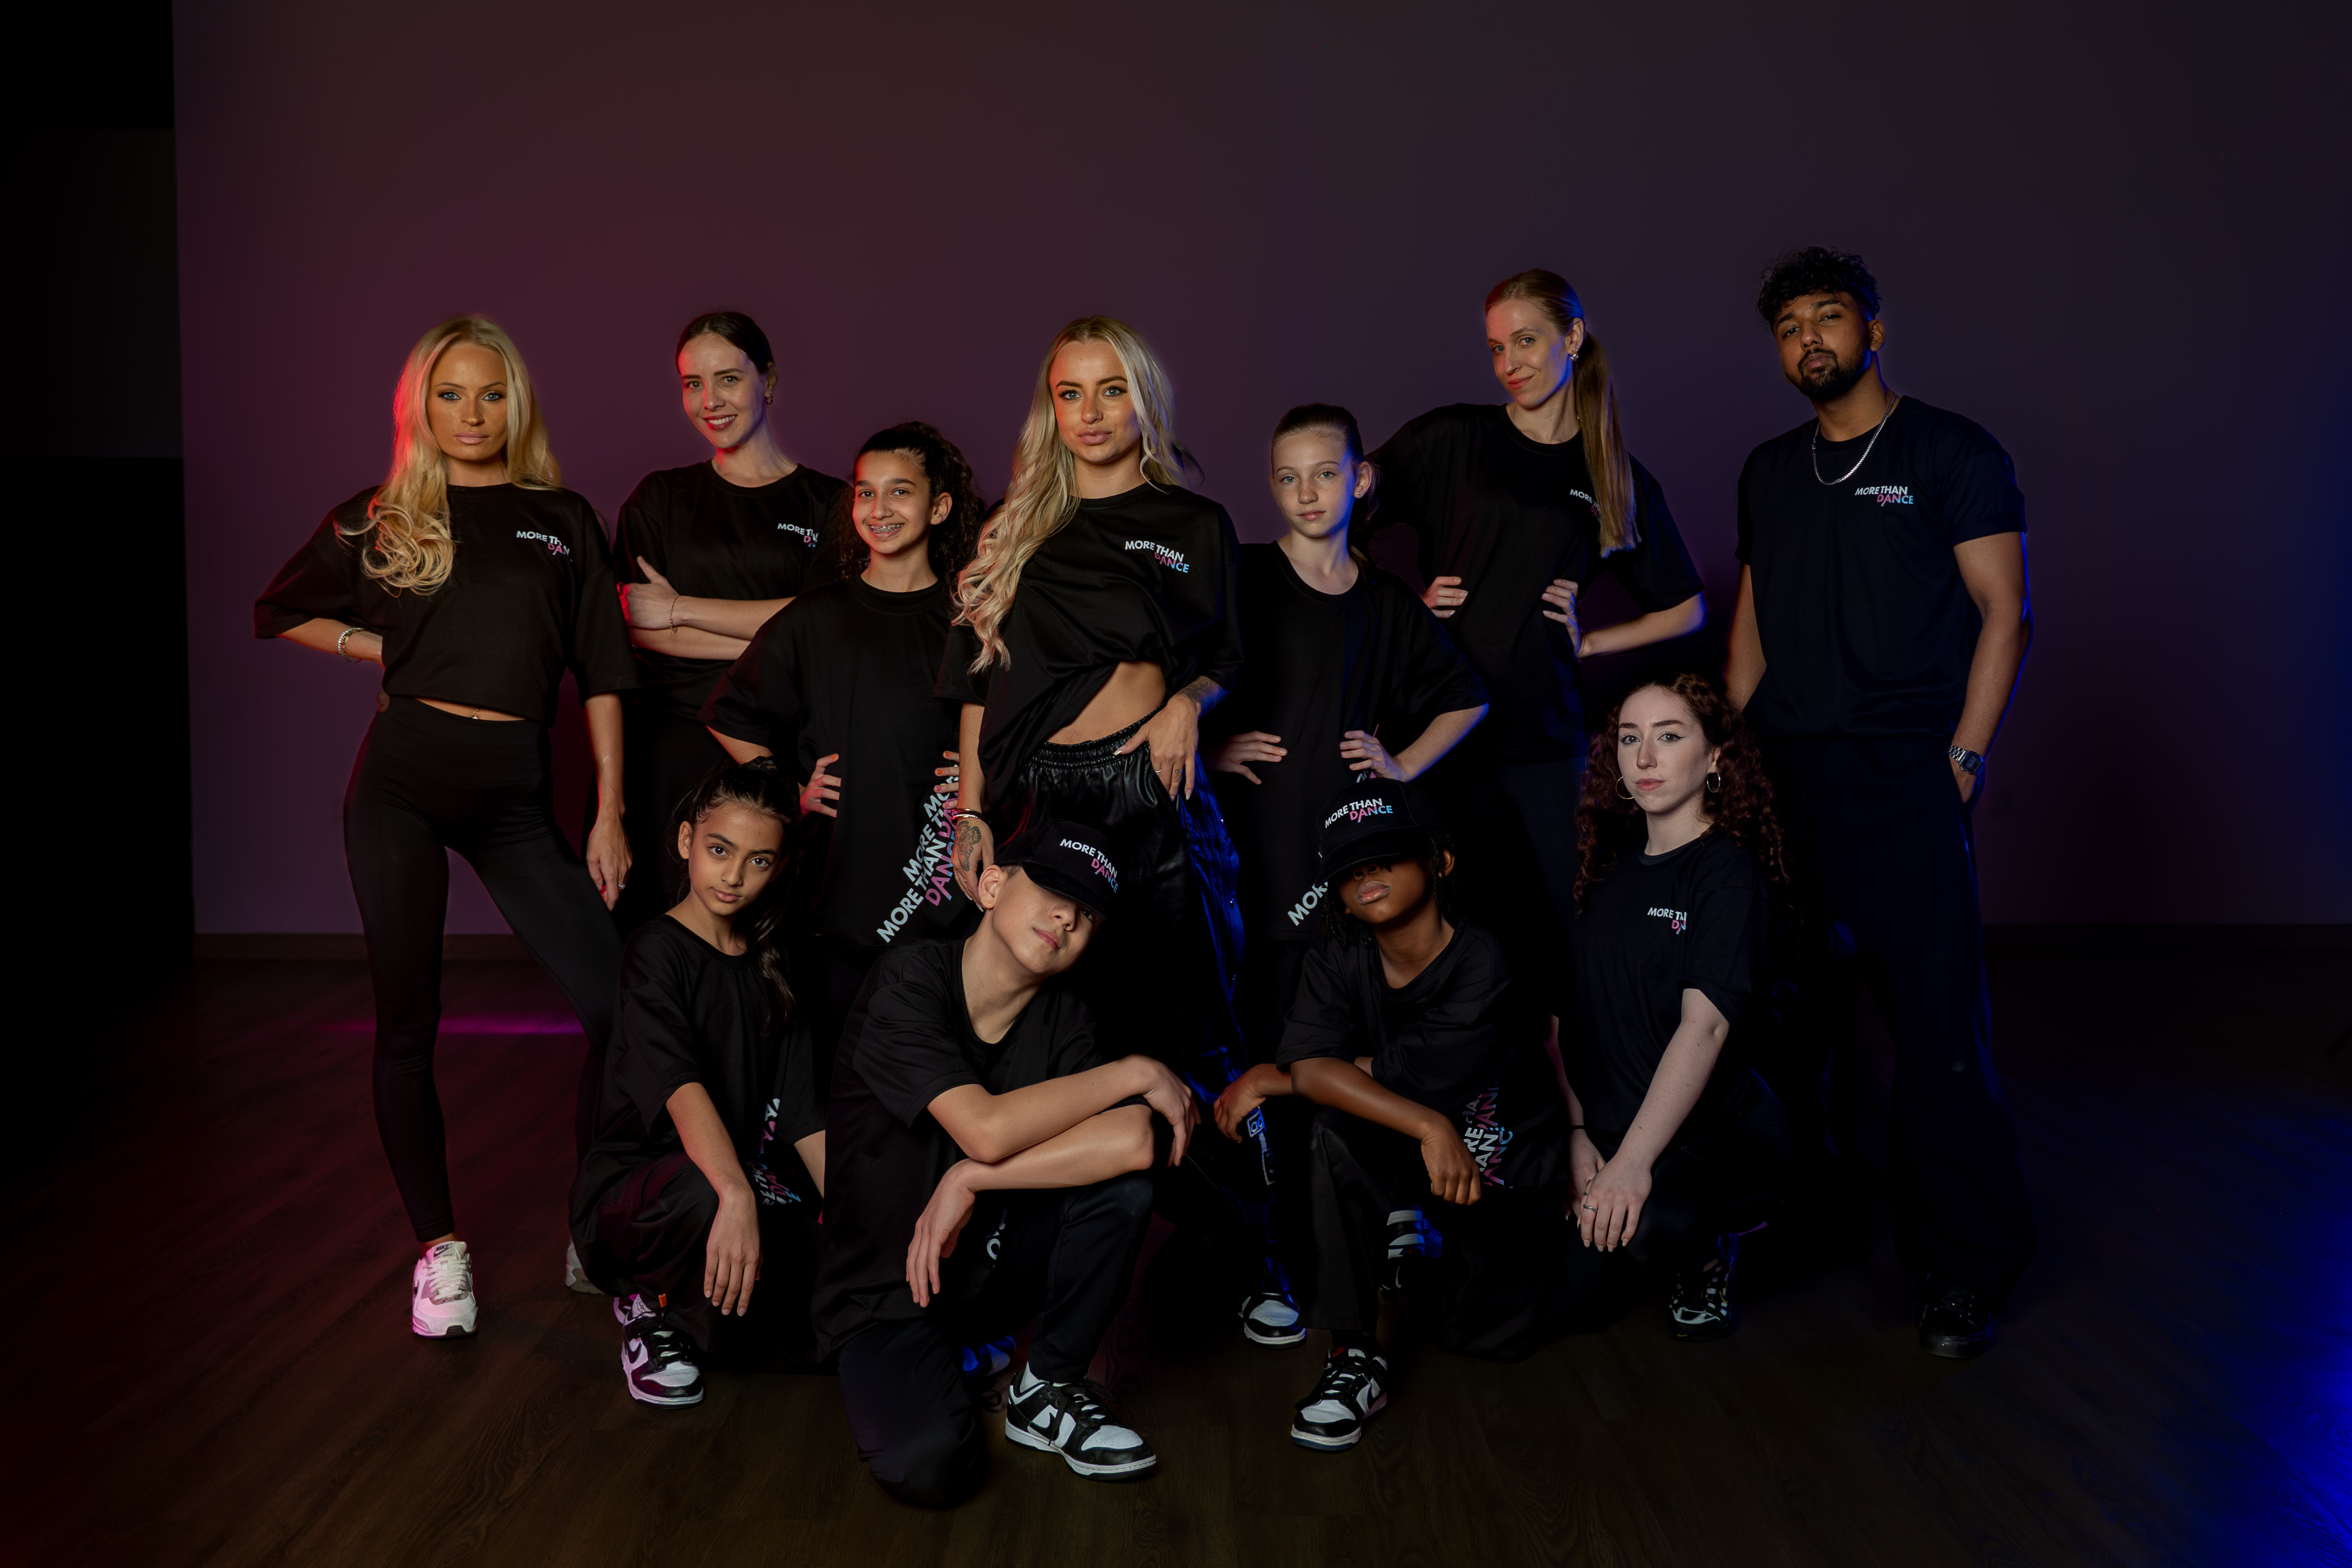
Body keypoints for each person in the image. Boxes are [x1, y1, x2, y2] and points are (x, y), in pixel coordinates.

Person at [254, 314, 636, 1337]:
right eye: (452, 394)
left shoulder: (563, 517)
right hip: (402, 785)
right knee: (408, 1023)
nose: (472, 414)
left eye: (491, 394)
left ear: (518, 404)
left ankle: (594, 1221)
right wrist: (376, 648)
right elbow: (277, 608)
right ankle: (439, 1250)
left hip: (515, 795)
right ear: (421, 405)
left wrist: (609, 810)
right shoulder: (386, 516)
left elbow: (604, 669)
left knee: (620, 1008)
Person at [938, 315, 1293, 1342]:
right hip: (1045, 805)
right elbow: (977, 691)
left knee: (1197, 1029)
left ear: (1143, 401)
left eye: (1110, 390)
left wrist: (1188, 701)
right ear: (1048, 409)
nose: (1090, 413)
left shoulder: (1192, 521)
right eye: (1069, 393)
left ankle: (1256, 1251)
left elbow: (1229, 654)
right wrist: (971, 814)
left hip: (1151, 790)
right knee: (1063, 1041)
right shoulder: (1014, 529)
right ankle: (1030, 1290)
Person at [1727, 247, 2035, 1358]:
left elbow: (2004, 611)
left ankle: (1963, 1264)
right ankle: (1809, 1220)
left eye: (1828, 316)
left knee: (1936, 1030)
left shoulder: (1949, 449)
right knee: (1787, 1018)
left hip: (1904, 770)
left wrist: (1963, 757)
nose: (1808, 339)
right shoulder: (1769, 470)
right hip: (1784, 773)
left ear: (1873, 328)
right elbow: (1750, 625)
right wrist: (1734, 753)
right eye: (1789, 327)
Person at [814, 822, 1200, 1505]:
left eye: (1087, 914)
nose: (1067, 918)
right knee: (929, 1468)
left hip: (992, 1273)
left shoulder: (1067, 1017)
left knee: (1124, 1187)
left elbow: (1136, 1141)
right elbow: (984, 1130)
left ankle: (1046, 1386)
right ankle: (947, 1363)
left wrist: (971, 1180)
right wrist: (1138, 1070)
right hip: (890, 1292)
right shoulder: (906, 981)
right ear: (991, 885)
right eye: (1053, 891)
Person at [1364, 270, 1707, 1021]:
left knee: (1571, 927)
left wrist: (1593, 640)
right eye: (1495, 348)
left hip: (1545, 737)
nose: (1508, 363)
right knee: (1451, 925)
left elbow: (1686, 607)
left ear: (1572, 338)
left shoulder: (1608, 471)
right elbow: (1333, 513)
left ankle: (1585, 1085)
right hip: (1443, 729)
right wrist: (1406, 606)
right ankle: (1467, 1085)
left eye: (1525, 340)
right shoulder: (1452, 438)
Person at [1213, 778, 1572, 1452]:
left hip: (1500, 1161)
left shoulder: (1481, 958)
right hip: (1426, 1141)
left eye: (1385, 857)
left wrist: (1275, 1077)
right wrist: (1427, 1126)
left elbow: (1399, 1071)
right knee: (1329, 1130)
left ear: (1440, 860)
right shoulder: (1339, 949)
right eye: (1350, 868)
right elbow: (1314, 1070)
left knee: (1478, 1333)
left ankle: (1424, 1242)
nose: (1366, 875)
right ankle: (1351, 1353)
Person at [1205, 402, 1489, 1065]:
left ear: (1359, 480)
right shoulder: (1242, 576)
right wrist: (1206, 748)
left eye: (1325, 474)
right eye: (1289, 478)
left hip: (1342, 834)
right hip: (1257, 827)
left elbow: (1468, 698)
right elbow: (1165, 681)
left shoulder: (1387, 601)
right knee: (1255, 1010)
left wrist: (1402, 765)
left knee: (1336, 1019)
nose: (1306, 493)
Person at [703, 423, 984, 1068]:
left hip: (939, 879)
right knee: (841, 1057)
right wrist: (786, 786)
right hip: (841, 881)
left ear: (940, 507)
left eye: (900, 491)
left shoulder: (969, 616)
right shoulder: (816, 616)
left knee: (936, 1051)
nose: (879, 508)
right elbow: (729, 711)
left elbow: (1003, 722)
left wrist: (974, 778)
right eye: (865, 492)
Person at [571, 759, 827, 1405]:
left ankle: (706, 1314)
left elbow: (804, 1115)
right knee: (708, 1195)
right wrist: (737, 1196)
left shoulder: (775, 962)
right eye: (719, 850)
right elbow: (681, 1089)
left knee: (835, 1284)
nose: (734, 876)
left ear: (780, 867)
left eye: (758, 860)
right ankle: (649, 1307)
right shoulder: (655, 951)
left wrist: (858, 1220)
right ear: (687, 840)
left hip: (740, 1175)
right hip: (648, 1191)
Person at [1559, 674, 1791, 1343]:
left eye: (1668, 736)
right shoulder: (1606, 871)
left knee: (1648, 1233)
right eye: (1629, 738)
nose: (1644, 757)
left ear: (1715, 755)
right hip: (1607, 1123)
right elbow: (1566, 1019)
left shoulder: (1727, 875)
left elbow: (1706, 1026)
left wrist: (1631, 1166)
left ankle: (1709, 1254)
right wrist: (1577, 1133)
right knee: (1554, 1291)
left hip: (1714, 1131)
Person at [608, 311, 847, 931]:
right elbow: (635, 626)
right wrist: (777, 635)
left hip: (777, 746)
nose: (709, 401)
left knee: (772, 932)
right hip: (669, 741)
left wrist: (680, 610)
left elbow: (826, 626)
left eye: (728, 379)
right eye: (692, 383)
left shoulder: (830, 503)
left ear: (769, 381)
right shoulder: (659, 498)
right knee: (659, 930)